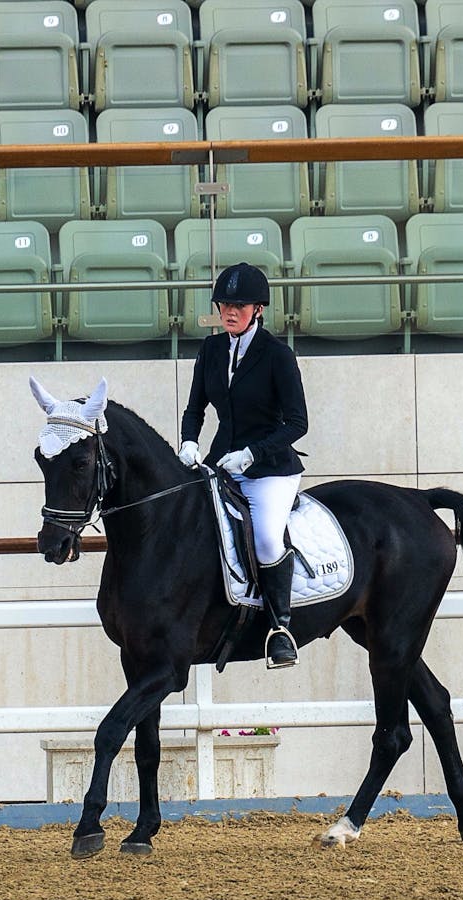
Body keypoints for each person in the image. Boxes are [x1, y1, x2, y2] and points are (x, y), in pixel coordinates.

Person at [178, 263, 308, 669]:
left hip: (270, 470)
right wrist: (188, 441)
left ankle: (279, 628)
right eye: (224, 304)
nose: (229, 311)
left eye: (238, 305)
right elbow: (195, 407)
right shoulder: (211, 350)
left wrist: (253, 453)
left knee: (268, 539)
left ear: (258, 309)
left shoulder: (277, 355)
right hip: (221, 464)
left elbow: (298, 423)